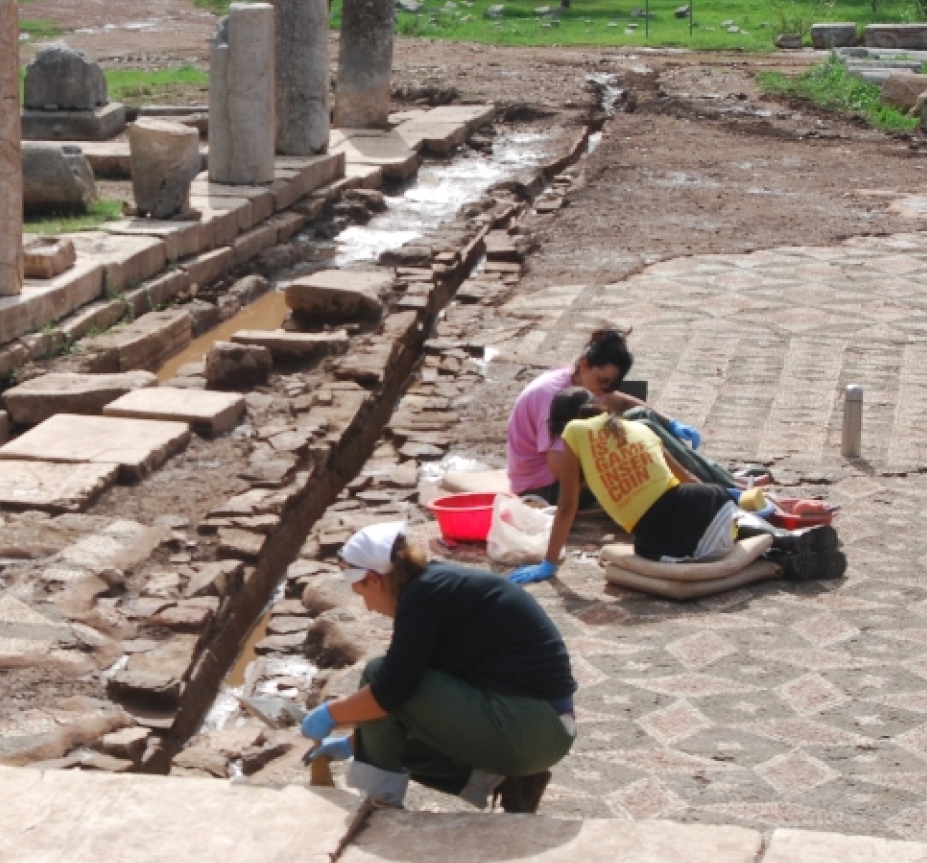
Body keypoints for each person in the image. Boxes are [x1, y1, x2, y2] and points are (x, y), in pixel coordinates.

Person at [300, 521, 577, 813]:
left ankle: (381, 810)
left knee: (379, 675)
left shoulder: (424, 595)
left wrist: (331, 713)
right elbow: (415, 693)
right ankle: (506, 783)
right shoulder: (437, 588)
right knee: (392, 730)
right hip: (545, 731)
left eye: (361, 593)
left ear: (374, 579)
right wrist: (357, 743)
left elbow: (390, 690)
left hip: (528, 726)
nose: (368, 607)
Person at [508, 387, 844, 585]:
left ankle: (784, 553)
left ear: (562, 423)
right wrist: (736, 498)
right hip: (705, 503)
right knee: (718, 520)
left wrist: (549, 563)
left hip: (663, 535)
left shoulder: (573, 434)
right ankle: (789, 542)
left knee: (675, 546)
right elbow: (689, 478)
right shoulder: (637, 428)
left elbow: (566, 507)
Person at [505, 328, 647, 503]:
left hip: (561, 471)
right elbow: (560, 471)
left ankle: (687, 476)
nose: (604, 391)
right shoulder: (552, 397)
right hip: (544, 488)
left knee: (643, 418)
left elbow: (622, 402)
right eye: (602, 381)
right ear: (585, 365)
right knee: (638, 474)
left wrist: (671, 423)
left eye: (609, 385)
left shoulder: (580, 378)